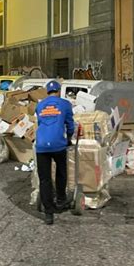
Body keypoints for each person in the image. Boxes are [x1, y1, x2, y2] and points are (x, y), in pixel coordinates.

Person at [35, 80, 75, 225]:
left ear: (47, 92)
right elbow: (70, 125)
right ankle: (61, 199)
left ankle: (48, 214)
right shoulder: (65, 104)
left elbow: (40, 123)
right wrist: (69, 138)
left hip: (41, 146)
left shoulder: (39, 105)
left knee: (44, 179)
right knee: (61, 172)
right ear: (58, 91)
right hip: (58, 145)